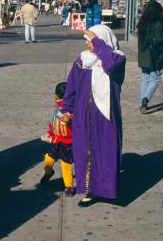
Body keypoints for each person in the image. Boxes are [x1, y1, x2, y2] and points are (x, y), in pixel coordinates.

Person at [59, 24, 126, 207]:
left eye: (91, 41)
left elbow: (110, 63)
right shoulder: (82, 61)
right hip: (82, 115)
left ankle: (105, 187)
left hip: (106, 116)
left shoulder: (116, 59)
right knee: (84, 152)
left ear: (102, 40)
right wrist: (66, 110)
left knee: (105, 152)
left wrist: (97, 42)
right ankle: (90, 189)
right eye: (88, 41)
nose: (88, 44)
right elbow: (71, 87)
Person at [39, 82, 75, 196]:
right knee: (49, 159)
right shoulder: (60, 108)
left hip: (68, 142)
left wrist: (68, 116)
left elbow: (66, 121)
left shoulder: (68, 109)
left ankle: (69, 186)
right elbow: (54, 124)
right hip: (56, 140)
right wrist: (50, 133)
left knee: (66, 163)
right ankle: (49, 173)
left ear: (56, 96)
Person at [136, 0, 163, 113]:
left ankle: (141, 103)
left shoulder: (142, 23)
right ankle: (145, 99)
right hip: (153, 55)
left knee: (145, 78)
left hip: (143, 54)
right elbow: (159, 40)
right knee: (155, 79)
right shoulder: (157, 23)